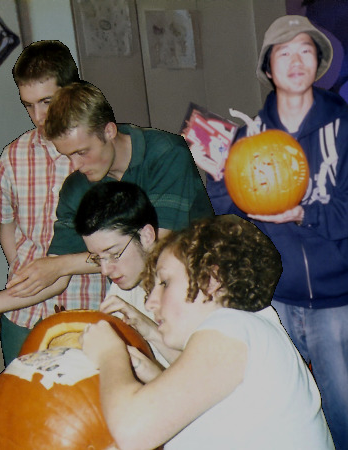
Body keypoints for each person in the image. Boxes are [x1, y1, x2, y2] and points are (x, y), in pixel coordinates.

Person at [206, 15, 348, 449]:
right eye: (283, 53)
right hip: (276, 295)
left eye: (305, 50)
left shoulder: (343, 127)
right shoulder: (247, 137)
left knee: (342, 408)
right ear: (268, 68)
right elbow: (230, 216)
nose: (295, 60)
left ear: (319, 63)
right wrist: (216, 178)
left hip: (337, 297)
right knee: (287, 402)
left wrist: (304, 213)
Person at [81, 214, 334, 449]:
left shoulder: (233, 328)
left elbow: (132, 431)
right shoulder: (250, 331)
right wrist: (154, 369)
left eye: (165, 283)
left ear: (212, 279)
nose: (150, 303)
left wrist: (110, 353)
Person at [1, 81, 214, 300]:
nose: (74, 165)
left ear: (109, 131)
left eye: (82, 152)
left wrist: (61, 265)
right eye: (68, 155)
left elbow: (155, 246)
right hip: (141, 297)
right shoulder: (77, 185)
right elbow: (53, 277)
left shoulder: (166, 153)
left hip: (201, 286)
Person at [0, 41, 107, 366]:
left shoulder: (98, 155)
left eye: (47, 101)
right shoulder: (13, 157)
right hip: (23, 313)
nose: (39, 116)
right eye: (29, 105)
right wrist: (24, 272)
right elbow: (8, 229)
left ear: (72, 89)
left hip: (89, 307)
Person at [75, 181, 180, 368]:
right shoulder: (122, 288)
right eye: (98, 258)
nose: (105, 270)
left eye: (114, 254)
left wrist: (149, 330)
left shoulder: (190, 287)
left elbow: (206, 379)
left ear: (146, 236)